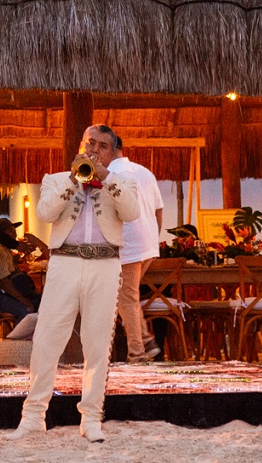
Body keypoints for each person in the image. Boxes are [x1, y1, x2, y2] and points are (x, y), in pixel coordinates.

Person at [13, 124, 143, 442]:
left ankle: (92, 418)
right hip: (64, 263)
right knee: (46, 342)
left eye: (102, 146)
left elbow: (132, 212)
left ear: (112, 153)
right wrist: (74, 180)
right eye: (90, 143)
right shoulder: (56, 179)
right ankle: (32, 416)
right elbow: (45, 212)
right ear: (80, 145)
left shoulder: (122, 182)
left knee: (97, 345)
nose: (94, 150)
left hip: (105, 264)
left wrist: (105, 178)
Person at [104, 136, 164, 363]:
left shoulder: (110, 174)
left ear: (111, 148)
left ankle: (137, 352)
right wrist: (152, 239)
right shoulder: (144, 172)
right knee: (125, 296)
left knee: (126, 298)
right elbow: (159, 210)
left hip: (126, 243)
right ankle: (146, 339)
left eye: (101, 147)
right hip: (147, 244)